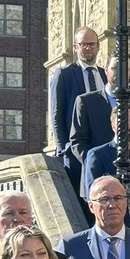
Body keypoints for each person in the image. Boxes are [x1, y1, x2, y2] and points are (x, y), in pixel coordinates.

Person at [69, 53, 130, 168]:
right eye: (115, 68)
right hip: (98, 176)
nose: (120, 73)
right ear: (106, 70)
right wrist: (94, 162)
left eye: (125, 69)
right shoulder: (85, 102)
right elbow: (77, 141)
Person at [49, 27, 105, 195]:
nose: (88, 48)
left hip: (102, 149)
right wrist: (63, 147)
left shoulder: (104, 75)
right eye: (83, 44)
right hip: (76, 152)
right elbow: (56, 114)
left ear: (98, 46)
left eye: (91, 44)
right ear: (75, 47)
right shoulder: (64, 74)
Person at [81, 103, 130, 198]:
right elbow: (92, 195)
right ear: (113, 125)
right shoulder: (97, 155)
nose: (128, 125)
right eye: (123, 120)